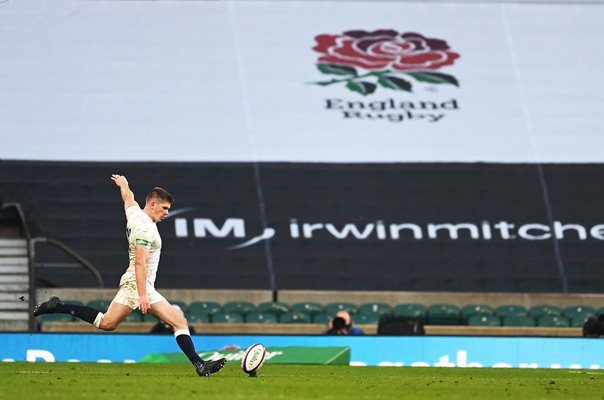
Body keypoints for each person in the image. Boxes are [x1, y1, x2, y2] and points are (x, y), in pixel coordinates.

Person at [33, 174, 226, 377]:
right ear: (152, 204)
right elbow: (140, 263)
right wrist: (142, 295)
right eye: (165, 208)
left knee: (179, 321)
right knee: (107, 323)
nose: (167, 213)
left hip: (145, 285)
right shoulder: (144, 229)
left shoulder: (135, 214)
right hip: (136, 284)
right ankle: (57, 306)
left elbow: (128, 198)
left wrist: (124, 185)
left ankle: (199, 365)